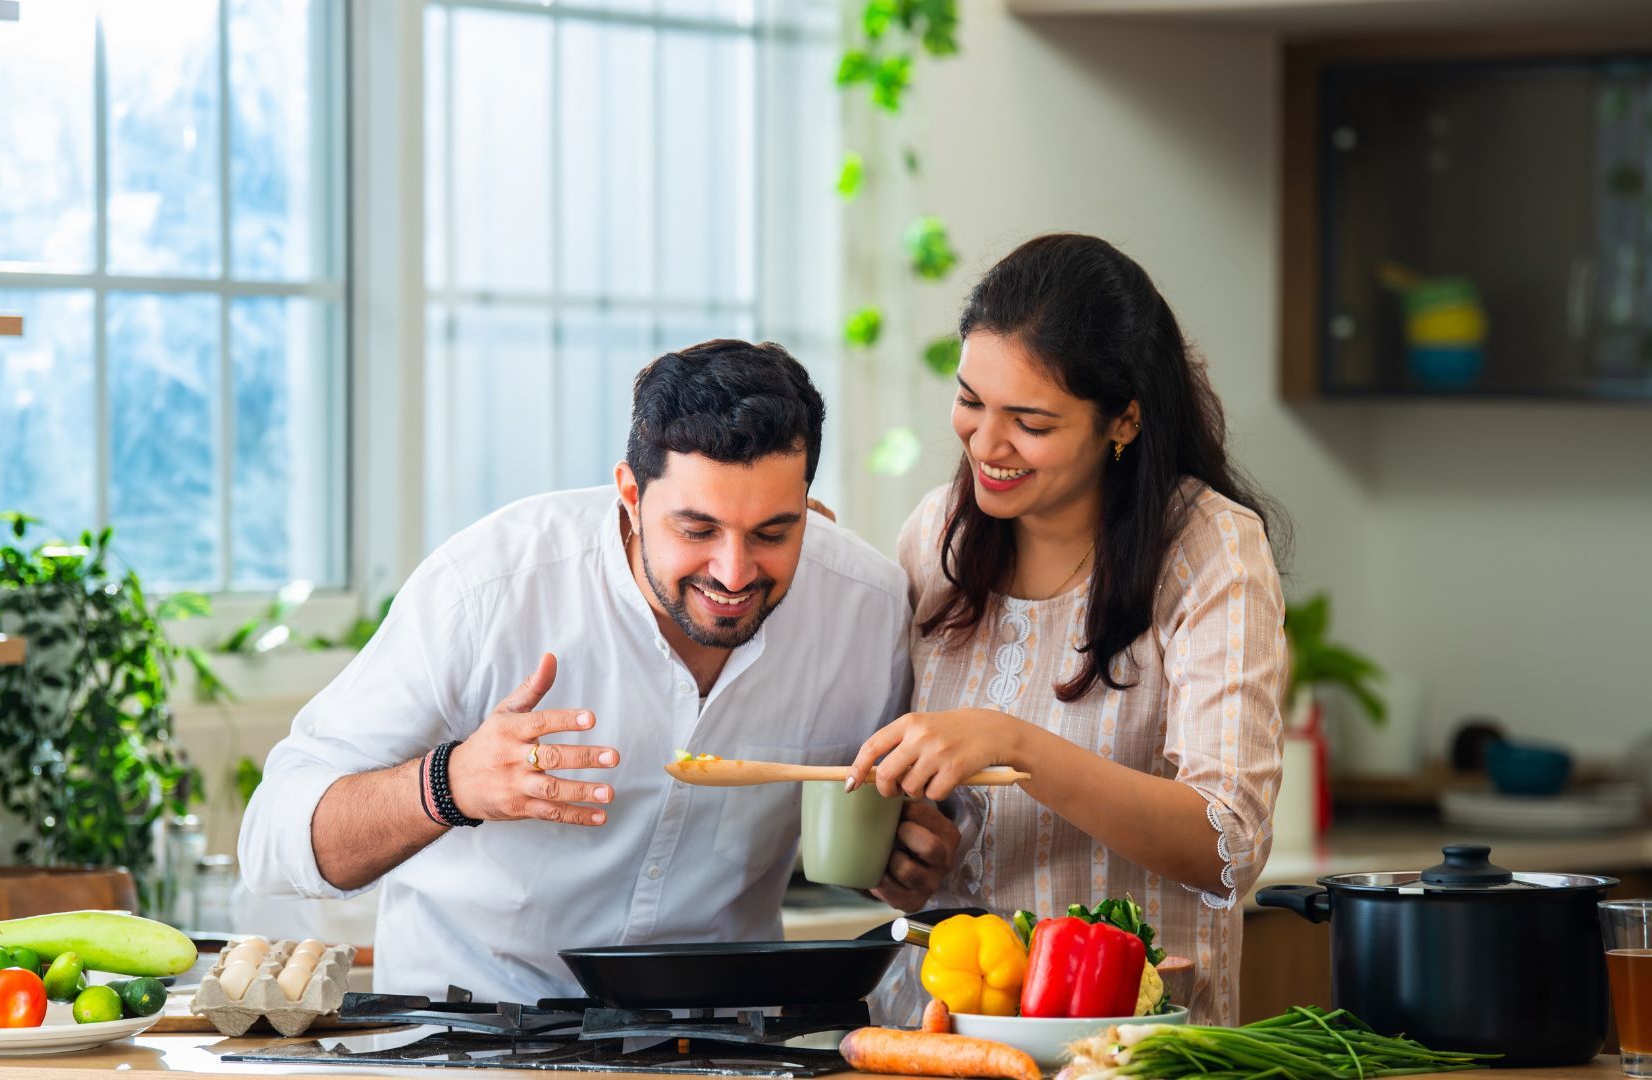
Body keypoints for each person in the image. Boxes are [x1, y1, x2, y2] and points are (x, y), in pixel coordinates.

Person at [239, 340, 921, 1003]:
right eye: (696, 530)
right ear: (629, 494)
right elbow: (273, 838)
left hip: (723, 1041)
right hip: (473, 1032)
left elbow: (882, 841)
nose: (733, 572)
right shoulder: (486, 587)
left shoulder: (867, 608)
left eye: (773, 532)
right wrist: (448, 784)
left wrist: (908, 856)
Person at [850, 234, 1287, 1026]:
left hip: (1123, 1044)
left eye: (1031, 421)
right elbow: (901, 778)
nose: (986, 444)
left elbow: (1230, 849)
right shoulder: (937, 534)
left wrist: (1016, 746)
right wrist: (905, 856)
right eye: (971, 401)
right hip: (936, 1034)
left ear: (1122, 420)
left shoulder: (1209, 550)